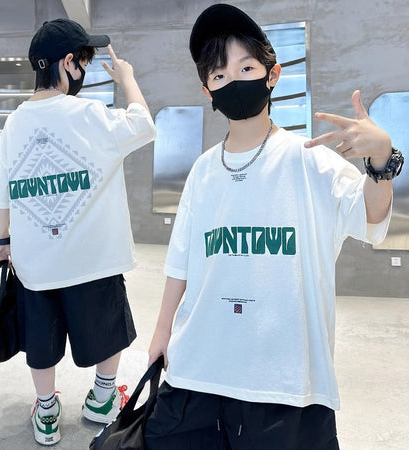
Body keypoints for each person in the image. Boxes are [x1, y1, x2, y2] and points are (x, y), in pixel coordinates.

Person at [145, 4, 403, 450]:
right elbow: (181, 261)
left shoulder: (309, 160)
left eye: (246, 68)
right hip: (199, 369)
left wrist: (381, 161)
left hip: (287, 383)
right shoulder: (203, 170)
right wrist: (162, 332)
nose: (233, 81)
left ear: (273, 74)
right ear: (207, 90)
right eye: (220, 75)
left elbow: (371, 216)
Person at [0, 18, 156, 446]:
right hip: (93, 258)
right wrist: (127, 79)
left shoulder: (14, 123)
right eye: (83, 61)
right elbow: (143, 124)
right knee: (106, 326)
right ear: (68, 63)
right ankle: (102, 399)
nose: (83, 70)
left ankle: (46, 412)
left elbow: (1, 189)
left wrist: (2, 241)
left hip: (36, 263)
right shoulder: (90, 114)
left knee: (40, 338)